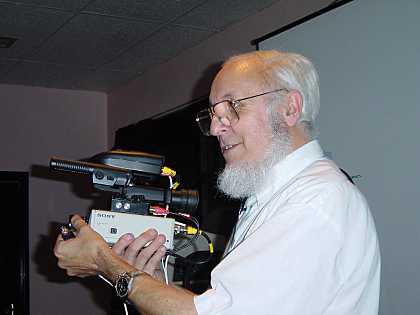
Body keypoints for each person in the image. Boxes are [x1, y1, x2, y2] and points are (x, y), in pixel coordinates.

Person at [54, 50, 381, 314]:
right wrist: (151, 281)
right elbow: (219, 306)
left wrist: (104, 261)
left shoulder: (312, 202)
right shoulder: (275, 197)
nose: (214, 128)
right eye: (212, 114)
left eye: (233, 107)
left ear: (289, 108)